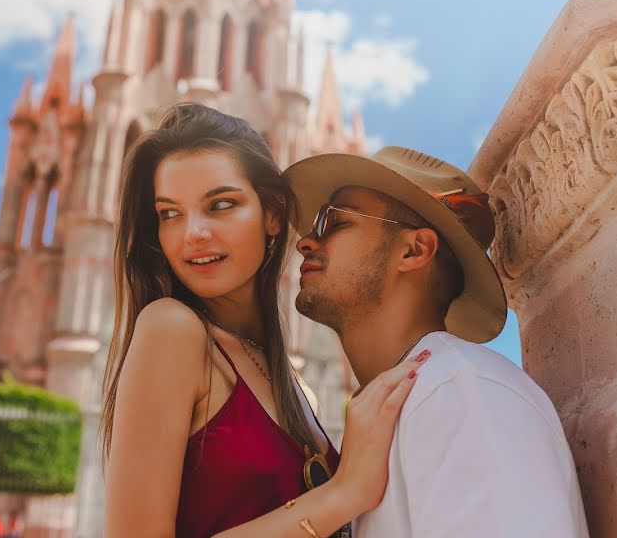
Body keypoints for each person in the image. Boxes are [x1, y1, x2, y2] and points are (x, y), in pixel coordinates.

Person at [100, 103, 428, 537]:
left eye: (220, 204)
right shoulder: (171, 329)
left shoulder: (296, 387)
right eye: (169, 213)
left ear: (272, 213)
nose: (192, 233)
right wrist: (344, 491)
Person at [284, 146, 590, 537]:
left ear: (414, 250)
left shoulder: (460, 392)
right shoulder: (413, 400)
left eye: (334, 222)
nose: (306, 242)